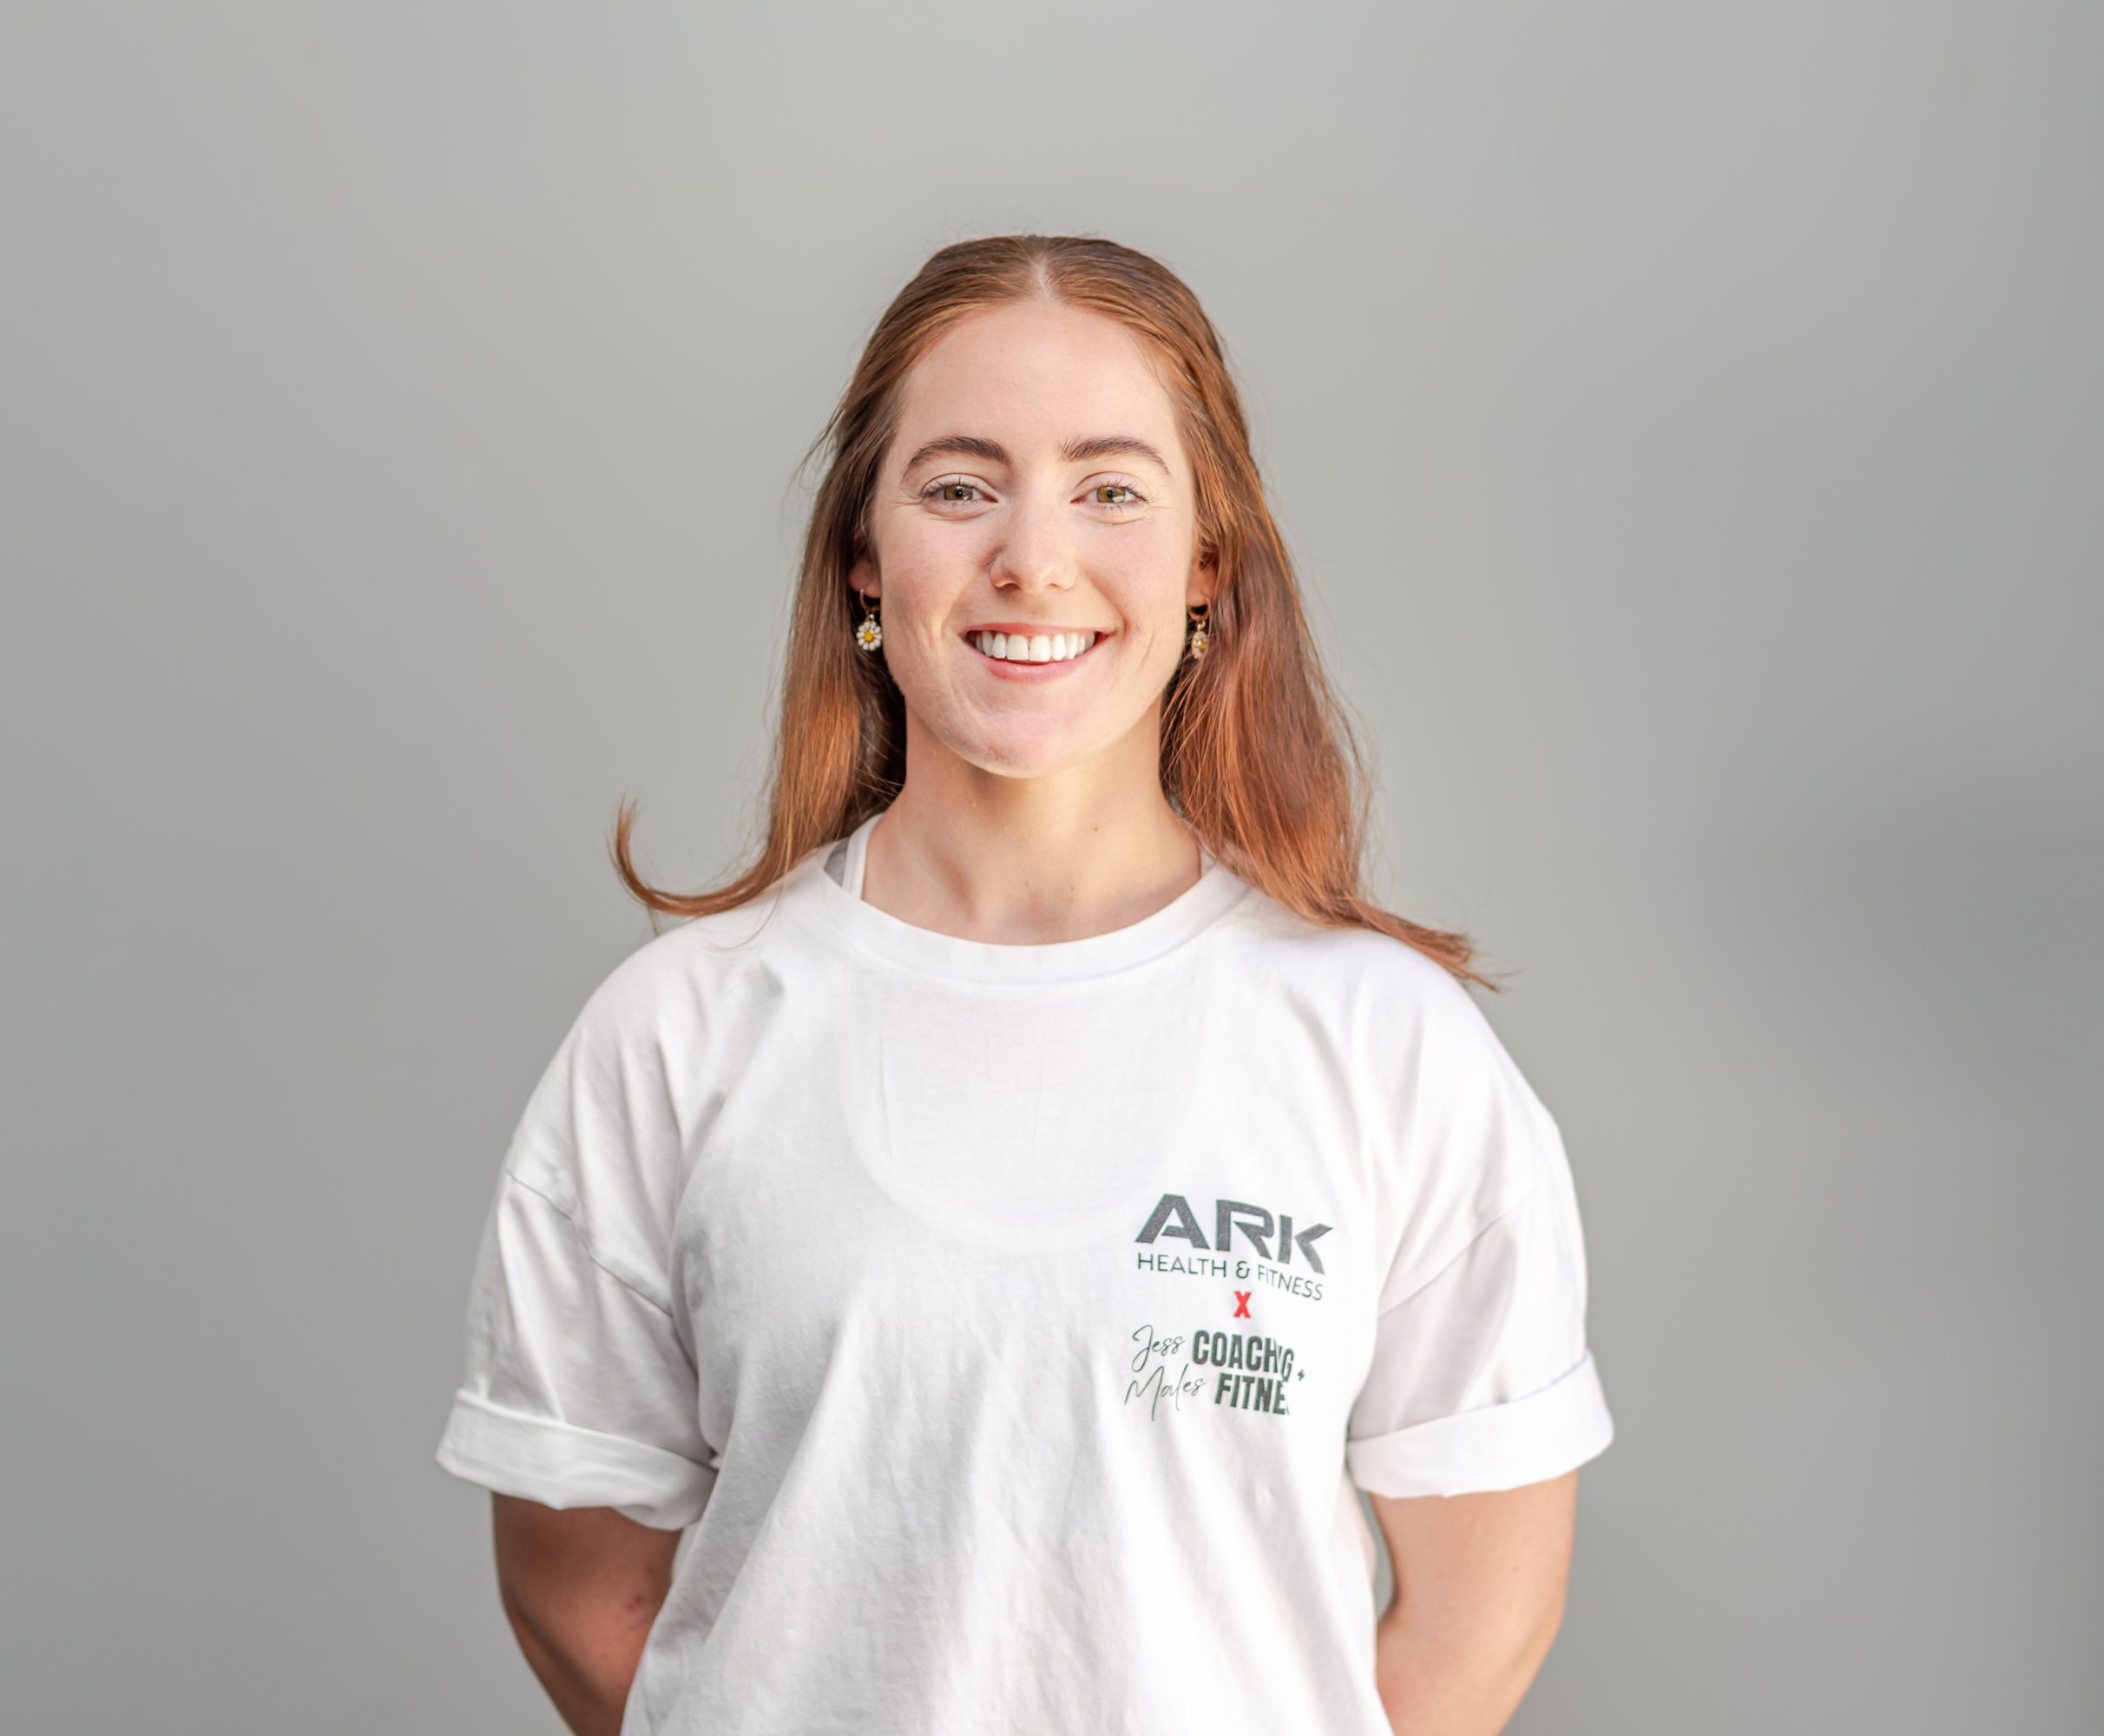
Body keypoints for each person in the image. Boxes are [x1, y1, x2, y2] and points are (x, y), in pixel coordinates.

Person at [433, 233, 1615, 1736]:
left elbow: (1479, 1620)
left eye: (1111, 489)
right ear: (864, 559)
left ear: (1207, 565)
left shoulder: (1389, 1048)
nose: (1034, 558)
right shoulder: (675, 1037)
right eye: (958, 487)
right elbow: (577, 1594)